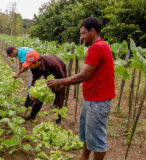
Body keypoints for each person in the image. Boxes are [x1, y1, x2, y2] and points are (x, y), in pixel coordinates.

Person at [47, 17, 115, 160]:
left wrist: (61, 81)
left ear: (93, 31)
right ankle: (83, 157)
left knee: (97, 140)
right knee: (87, 133)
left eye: (83, 33)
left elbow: (84, 75)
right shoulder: (100, 46)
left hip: (98, 101)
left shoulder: (97, 47)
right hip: (92, 99)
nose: (81, 37)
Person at [22, 51, 67, 125]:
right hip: (47, 75)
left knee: (59, 96)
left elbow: (63, 78)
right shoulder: (34, 67)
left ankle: (58, 120)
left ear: (36, 62)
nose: (29, 66)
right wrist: (32, 91)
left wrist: (58, 85)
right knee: (40, 94)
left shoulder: (53, 64)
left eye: (30, 64)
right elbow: (35, 79)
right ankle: (32, 115)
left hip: (59, 76)